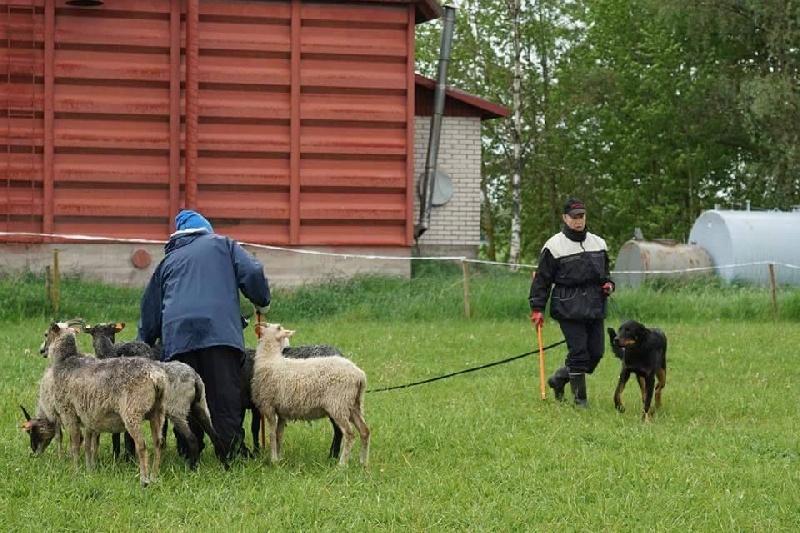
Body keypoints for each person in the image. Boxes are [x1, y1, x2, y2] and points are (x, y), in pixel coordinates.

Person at [138, 209, 271, 463]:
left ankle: (190, 452)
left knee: (184, 397)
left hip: (178, 339)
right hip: (220, 335)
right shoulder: (224, 245)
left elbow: (150, 309)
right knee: (224, 395)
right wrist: (262, 302)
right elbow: (253, 273)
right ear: (205, 230)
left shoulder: (168, 261)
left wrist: (144, 342)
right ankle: (231, 452)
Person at [528, 198, 614, 408]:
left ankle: (559, 378)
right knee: (578, 353)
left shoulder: (599, 243)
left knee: (596, 354)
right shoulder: (553, 246)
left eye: (581, 216)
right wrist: (537, 308)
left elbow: (606, 275)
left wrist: (609, 285)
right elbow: (542, 280)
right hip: (568, 307)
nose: (579, 221)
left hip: (595, 306)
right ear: (565, 218)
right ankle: (580, 401)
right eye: (574, 217)